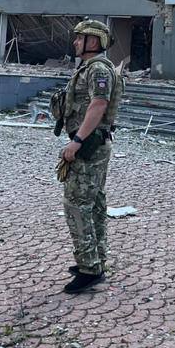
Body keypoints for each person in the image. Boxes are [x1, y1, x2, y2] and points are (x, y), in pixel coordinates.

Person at [57, 19, 123, 294]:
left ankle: (89, 268)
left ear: (93, 41)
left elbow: (98, 104)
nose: (75, 42)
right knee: (94, 204)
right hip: (92, 143)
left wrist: (76, 142)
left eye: (79, 38)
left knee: (76, 204)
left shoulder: (98, 69)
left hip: (89, 145)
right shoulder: (92, 67)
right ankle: (95, 262)